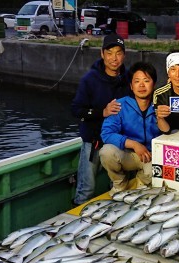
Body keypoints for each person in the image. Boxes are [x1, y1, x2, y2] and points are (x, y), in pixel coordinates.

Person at [71, 33, 130, 206]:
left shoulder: (129, 79)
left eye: (118, 53)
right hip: (94, 141)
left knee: (119, 187)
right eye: (109, 53)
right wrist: (101, 112)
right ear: (102, 54)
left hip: (119, 142)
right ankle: (77, 218)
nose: (114, 58)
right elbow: (76, 109)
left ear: (124, 55)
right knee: (86, 187)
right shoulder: (90, 80)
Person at [99, 62, 160, 195]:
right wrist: (133, 144)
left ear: (154, 84)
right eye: (137, 81)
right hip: (128, 154)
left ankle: (141, 181)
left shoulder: (161, 105)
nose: (142, 85)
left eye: (146, 80)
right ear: (131, 86)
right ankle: (120, 183)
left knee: (155, 174)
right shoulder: (120, 105)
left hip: (151, 156)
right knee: (106, 152)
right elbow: (106, 133)